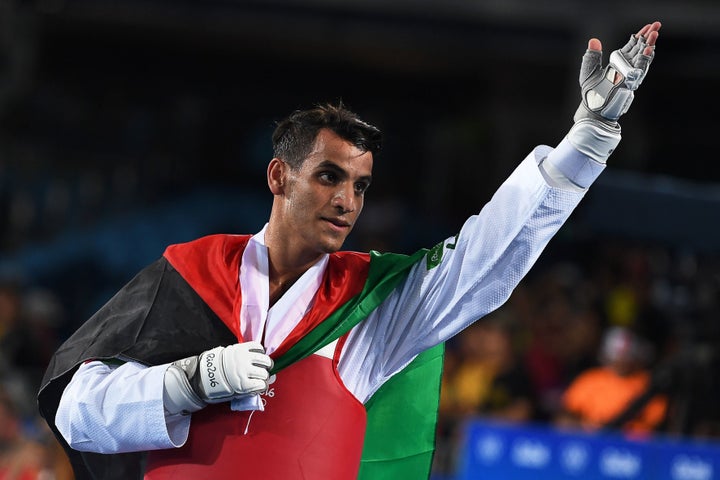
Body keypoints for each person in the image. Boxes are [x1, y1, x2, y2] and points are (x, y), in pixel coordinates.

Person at [37, 21, 662, 480]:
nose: (347, 201)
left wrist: (589, 139)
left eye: (361, 186)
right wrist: (186, 382)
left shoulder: (369, 310)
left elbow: (486, 261)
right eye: (329, 177)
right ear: (279, 177)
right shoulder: (187, 275)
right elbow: (77, 409)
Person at [555, 325, 669, 437]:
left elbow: (656, 425)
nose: (621, 361)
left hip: (631, 448)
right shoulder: (590, 379)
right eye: (616, 356)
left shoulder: (648, 383)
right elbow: (565, 417)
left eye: (625, 356)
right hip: (591, 443)